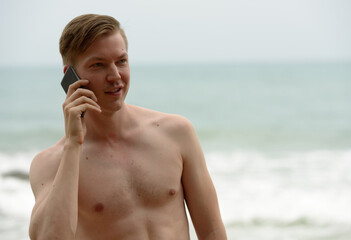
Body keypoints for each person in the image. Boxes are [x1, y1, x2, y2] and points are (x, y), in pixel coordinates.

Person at [29, 14, 227, 240]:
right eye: (98, 65)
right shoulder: (52, 163)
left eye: (121, 61)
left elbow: (212, 232)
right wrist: (73, 144)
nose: (115, 76)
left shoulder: (176, 133)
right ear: (70, 77)